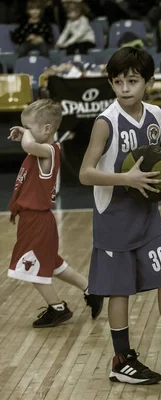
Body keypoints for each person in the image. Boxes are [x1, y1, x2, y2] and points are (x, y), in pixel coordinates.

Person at [79, 47, 161, 385]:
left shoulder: (155, 115)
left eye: (133, 81)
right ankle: (121, 359)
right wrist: (126, 179)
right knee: (118, 291)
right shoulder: (105, 123)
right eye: (118, 81)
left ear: (149, 82)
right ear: (111, 82)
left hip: (147, 214)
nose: (125, 88)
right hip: (114, 219)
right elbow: (85, 174)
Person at [7, 99, 103, 328]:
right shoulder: (43, 149)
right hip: (35, 219)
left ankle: (57, 308)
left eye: (30, 127)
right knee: (52, 263)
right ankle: (91, 289)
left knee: (29, 269)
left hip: (37, 219)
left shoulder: (49, 151)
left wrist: (26, 135)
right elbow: (30, 145)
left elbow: (30, 146)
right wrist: (28, 132)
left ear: (47, 129)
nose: (26, 133)